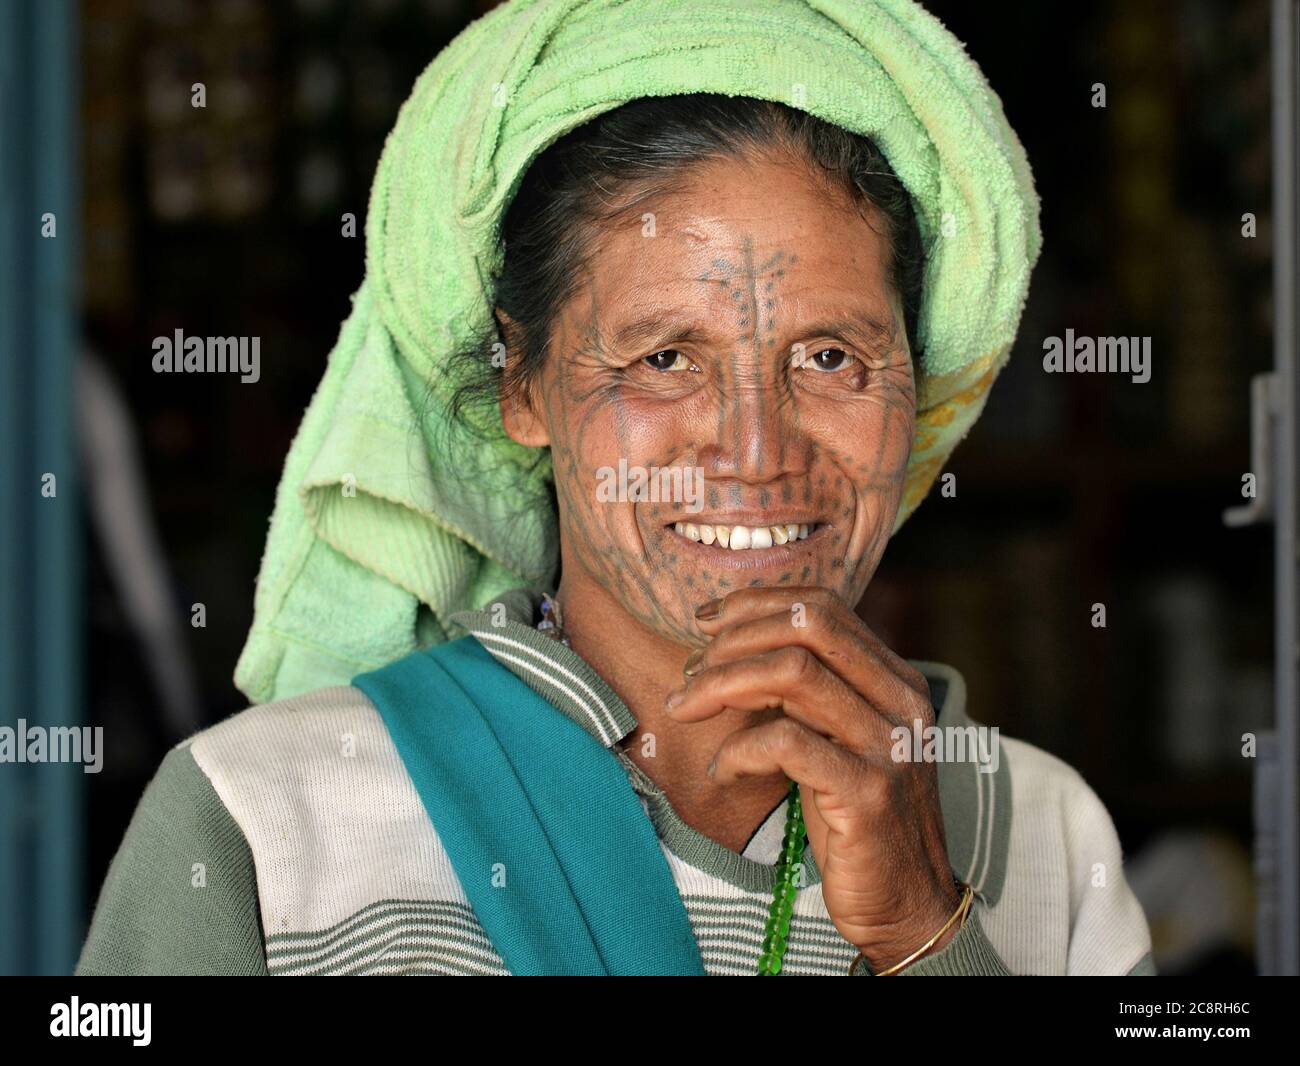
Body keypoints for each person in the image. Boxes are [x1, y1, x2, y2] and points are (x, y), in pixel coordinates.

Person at [76, 0, 1154, 976]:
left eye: (829, 356)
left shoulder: (1048, 834)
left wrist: (932, 935)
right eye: (664, 358)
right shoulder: (264, 824)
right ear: (522, 384)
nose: (759, 452)